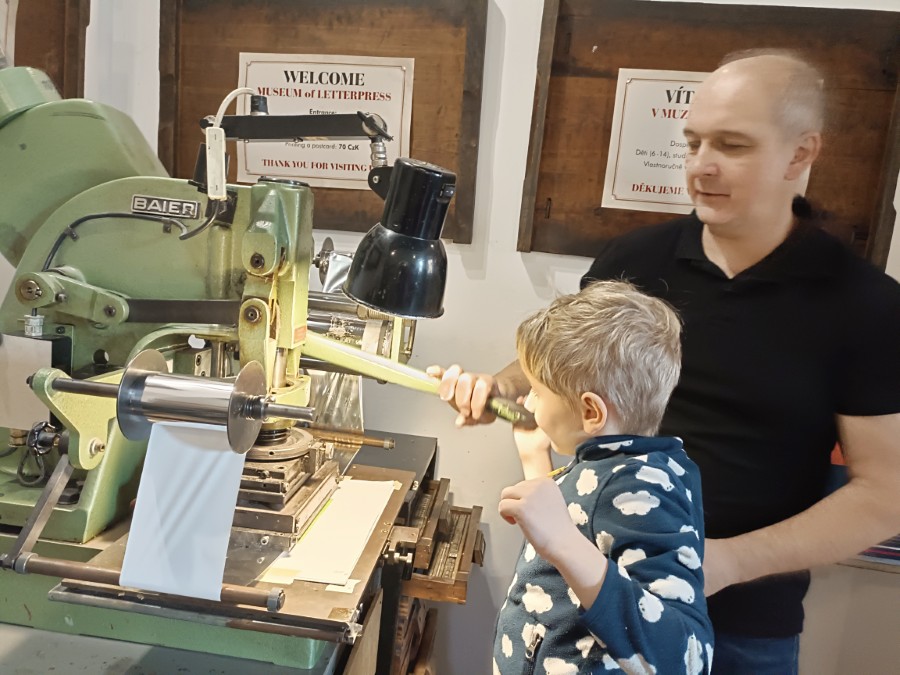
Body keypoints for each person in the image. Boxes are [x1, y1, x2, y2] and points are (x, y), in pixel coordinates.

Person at [430, 50, 900, 674]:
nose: (701, 165)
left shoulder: (865, 304)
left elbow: (884, 495)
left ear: (800, 153)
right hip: (579, 598)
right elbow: (563, 370)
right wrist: (500, 387)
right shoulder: (635, 259)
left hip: (741, 634)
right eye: (693, 142)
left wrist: (724, 561)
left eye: (732, 145)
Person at [492, 280, 711, 675]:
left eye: (538, 391)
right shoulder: (615, 466)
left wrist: (561, 540)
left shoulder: (641, 488)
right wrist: (534, 457)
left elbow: (686, 658)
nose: (527, 402)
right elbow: (572, 555)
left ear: (591, 412)